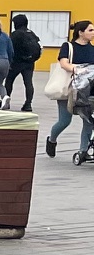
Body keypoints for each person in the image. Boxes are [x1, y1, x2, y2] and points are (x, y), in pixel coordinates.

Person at [45, 21, 94, 160]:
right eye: (90, 30)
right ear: (81, 32)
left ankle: (83, 151)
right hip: (69, 88)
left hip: (87, 90)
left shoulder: (92, 49)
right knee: (64, 121)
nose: (93, 33)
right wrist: (77, 69)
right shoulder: (68, 46)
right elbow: (64, 63)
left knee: (89, 121)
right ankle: (52, 139)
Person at [9, 14, 45, 113]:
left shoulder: (15, 34)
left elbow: (10, 49)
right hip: (29, 63)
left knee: (9, 81)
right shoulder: (32, 33)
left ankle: (6, 100)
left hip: (16, 62)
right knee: (28, 83)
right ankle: (28, 104)